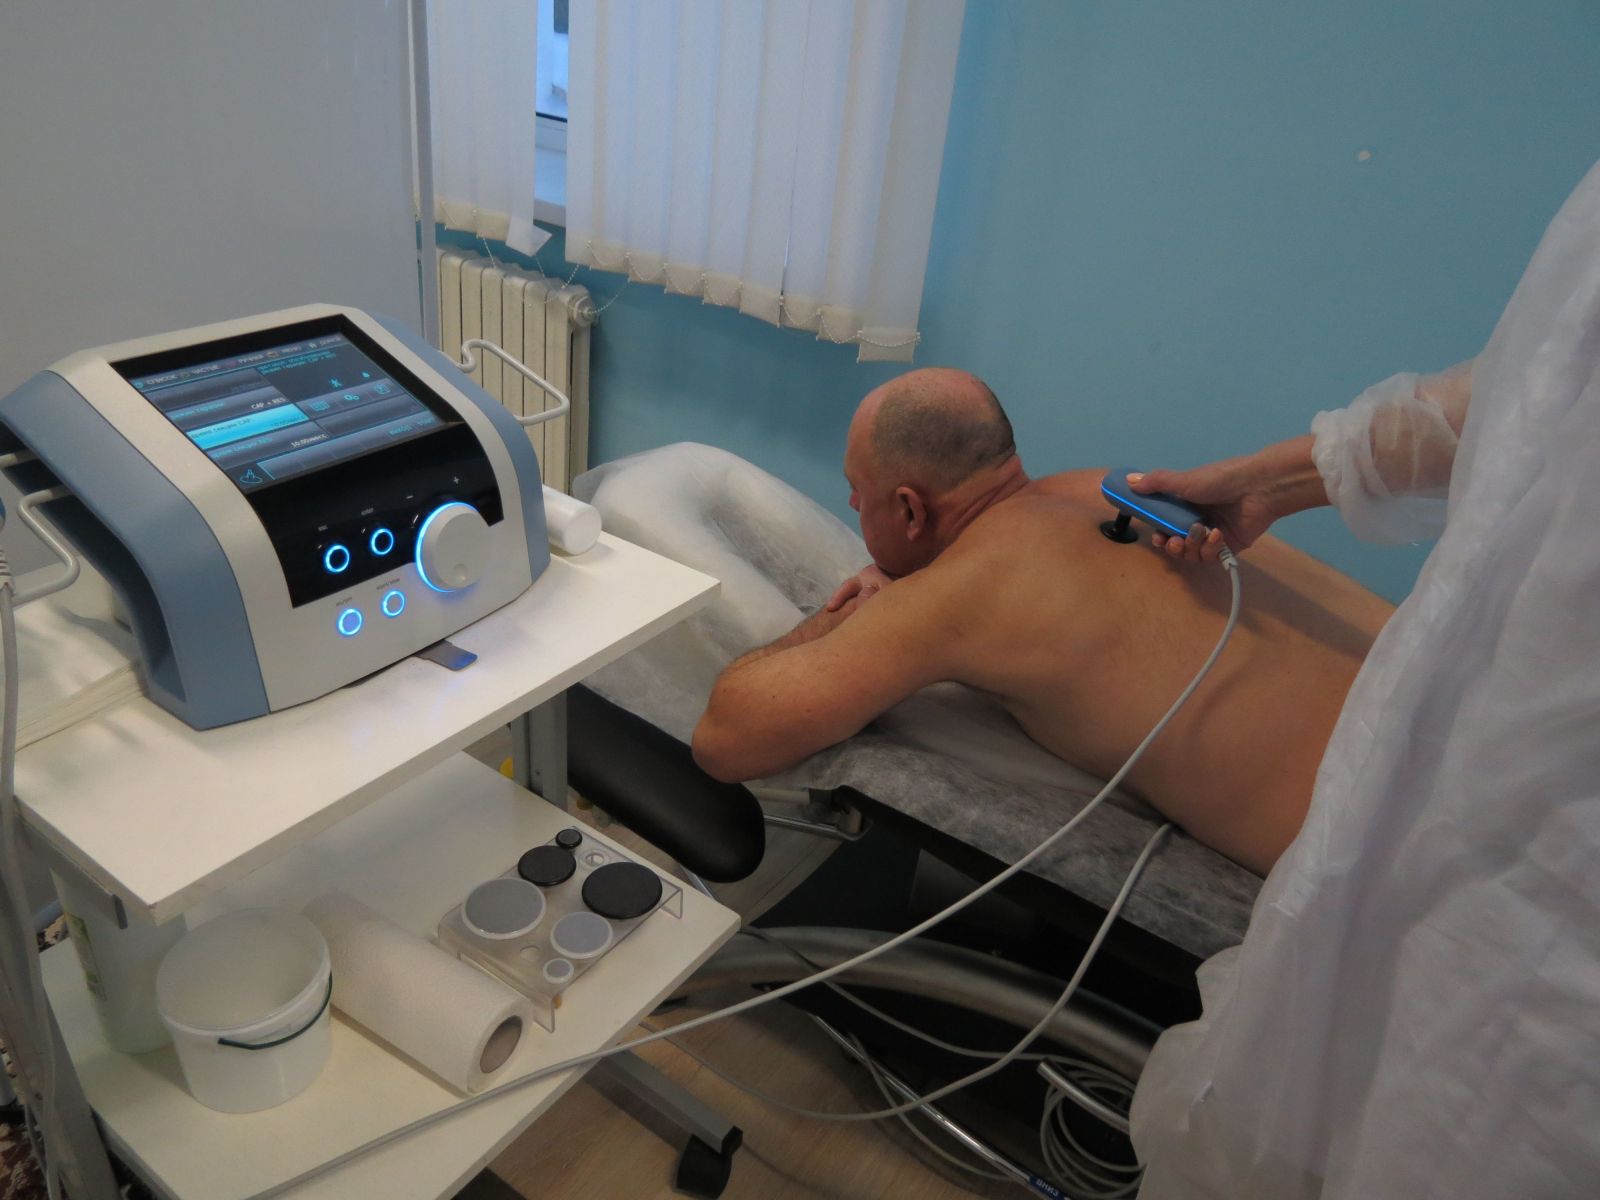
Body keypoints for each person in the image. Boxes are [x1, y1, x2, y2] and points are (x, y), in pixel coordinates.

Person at [1127, 159, 1600, 1199]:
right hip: (1435, 824)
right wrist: (1272, 481)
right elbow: (1529, 397)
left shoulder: (976, 578)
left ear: (909, 507)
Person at [691, 367, 1393, 876]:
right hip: (1438, 706)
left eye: (856, 492)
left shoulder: (960, 591)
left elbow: (726, 741)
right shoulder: (1105, 488)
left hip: (1396, 859)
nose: (851, 505)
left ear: (908, 508)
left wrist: (841, 615)